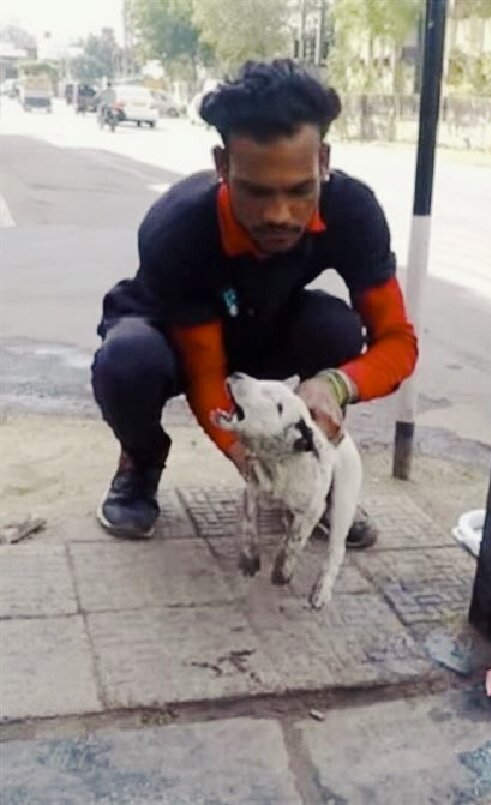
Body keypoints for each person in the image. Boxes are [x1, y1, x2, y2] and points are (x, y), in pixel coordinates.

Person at [91, 59, 418, 548]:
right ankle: (140, 460)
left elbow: (397, 342)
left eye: (300, 190)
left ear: (323, 160)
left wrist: (335, 386)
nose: (279, 215)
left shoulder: (354, 211)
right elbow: (206, 374)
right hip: (174, 337)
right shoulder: (177, 229)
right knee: (127, 360)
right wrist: (255, 464)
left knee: (336, 331)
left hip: (260, 323)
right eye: (256, 192)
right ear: (222, 167)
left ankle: (318, 475)